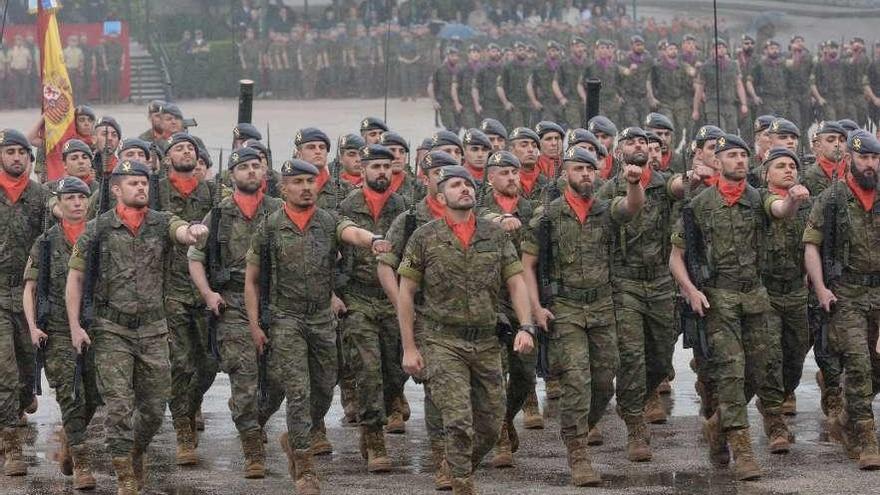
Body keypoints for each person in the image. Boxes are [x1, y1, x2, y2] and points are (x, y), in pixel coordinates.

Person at [243, 159, 391, 494]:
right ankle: (305, 469)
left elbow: (350, 232)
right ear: (283, 187)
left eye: (311, 181)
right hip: (285, 318)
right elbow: (251, 281)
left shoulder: (328, 221)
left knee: (324, 389)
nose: (306, 187)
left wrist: (373, 239)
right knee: (298, 391)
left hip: (321, 318)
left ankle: (295, 438)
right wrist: (255, 325)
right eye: (298, 182)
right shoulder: (269, 227)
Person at [66, 159, 209, 494]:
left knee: (155, 408)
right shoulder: (98, 229)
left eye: (144, 183)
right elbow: (75, 278)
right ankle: (125, 476)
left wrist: (193, 232)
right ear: (116, 189)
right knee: (118, 405)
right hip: (111, 329)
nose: (141, 188)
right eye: (133, 183)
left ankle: (135, 451)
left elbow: (181, 230)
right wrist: (74, 326)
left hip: (154, 329)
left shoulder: (160, 223)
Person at [397, 164, 536, 494]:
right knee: (458, 419)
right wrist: (409, 347)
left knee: (490, 424)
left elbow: (516, 283)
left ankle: (455, 464)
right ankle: (462, 483)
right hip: (442, 340)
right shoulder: (425, 237)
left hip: (486, 341)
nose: (465, 189)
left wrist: (526, 327)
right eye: (456, 185)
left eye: (470, 184)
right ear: (440, 195)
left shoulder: (494, 235)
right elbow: (406, 292)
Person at [669, 133, 797, 480]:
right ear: (718, 162)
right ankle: (742, 452)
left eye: (744, 155)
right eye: (732, 156)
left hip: (755, 296)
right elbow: (676, 256)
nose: (740, 160)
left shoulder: (758, 198)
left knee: (760, 370)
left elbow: (780, 209)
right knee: (730, 373)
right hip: (718, 299)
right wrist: (690, 290)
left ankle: (717, 425)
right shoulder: (699, 204)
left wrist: (794, 202)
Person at [522, 146, 645, 486]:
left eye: (591, 169)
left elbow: (633, 206)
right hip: (567, 308)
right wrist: (535, 308)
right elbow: (527, 265)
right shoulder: (547, 217)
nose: (586, 175)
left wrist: (634, 183)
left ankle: (581, 426)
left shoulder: (606, 210)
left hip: (603, 305)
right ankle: (578, 453)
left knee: (605, 380)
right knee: (577, 379)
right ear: (565, 175)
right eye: (578, 169)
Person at [188, 147, 283, 478]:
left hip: (275, 302)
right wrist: (208, 293)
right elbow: (195, 258)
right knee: (244, 376)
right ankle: (252, 450)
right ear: (231, 175)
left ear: (265, 174)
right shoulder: (218, 215)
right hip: (233, 305)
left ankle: (254, 420)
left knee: (279, 378)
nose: (252, 171)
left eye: (257, 166)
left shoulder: (279, 211)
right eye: (244, 167)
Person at [597, 127, 687, 461]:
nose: (638, 146)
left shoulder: (664, 184)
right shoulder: (608, 189)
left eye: (644, 143)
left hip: (661, 281)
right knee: (632, 355)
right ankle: (635, 425)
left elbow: (681, 187)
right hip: (625, 282)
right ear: (619, 152)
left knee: (662, 356)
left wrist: (693, 176)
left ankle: (643, 395)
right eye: (631, 142)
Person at [377, 150, 459, 491]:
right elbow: (385, 263)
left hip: (470, 318)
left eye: (449, 172)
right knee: (439, 391)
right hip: (428, 317)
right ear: (423, 178)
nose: (442, 177)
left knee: (479, 399)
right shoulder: (411, 221)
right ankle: (444, 460)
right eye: (436, 172)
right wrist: (402, 306)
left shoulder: (471, 216)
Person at [803, 130, 880, 470]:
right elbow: (811, 245)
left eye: (875, 159)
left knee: (877, 367)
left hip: (879, 291)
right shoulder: (832, 198)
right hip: (846, 292)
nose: (870, 165)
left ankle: (847, 416)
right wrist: (820, 288)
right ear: (850, 158)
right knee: (860, 365)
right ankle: (867, 439)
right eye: (864, 158)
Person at [23, 177, 98, 489]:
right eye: (70, 198)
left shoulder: (99, 236)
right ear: (59, 203)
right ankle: (82, 464)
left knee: (94, 394)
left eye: (82, 197)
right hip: (57, 331)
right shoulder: (45, 243)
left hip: (95, 328)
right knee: (69, 396)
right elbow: (29, 289)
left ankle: (72, 434)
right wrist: (32, 327)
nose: (77, 203)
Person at [337, 144, 408, 470]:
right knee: (367, 369)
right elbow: (327, 256)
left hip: (393, 298)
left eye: (387, 166)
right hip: (359, 297)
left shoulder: (404, 209)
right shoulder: (345, 209)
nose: (382, 172)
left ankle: (378, 417)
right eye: (375, 166)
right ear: (362, 170)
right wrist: (332, 294)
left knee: (394, 371)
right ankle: (374, 437)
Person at [155, 133, 217, 466]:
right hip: (170, 291)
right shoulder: (156, 191)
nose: (186, 151)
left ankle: (190, 407)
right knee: (180, 363)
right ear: (167, 159)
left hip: (204, 288)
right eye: (179, 148)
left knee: (209, 363)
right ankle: (182, 428)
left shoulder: (211, 192)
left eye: (191, 148)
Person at [475, 150, 540, 467]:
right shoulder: (476, 207)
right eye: (504, 173)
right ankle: (500, 432)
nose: (512, 177)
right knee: (495, 373)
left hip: (523, 298)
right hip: (490, 301)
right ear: (490, 178)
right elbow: (478, 219)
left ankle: (506, 416)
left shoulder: (531, 208)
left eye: (515, 172)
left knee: (526, 375)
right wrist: (500, 219)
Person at [754, 147, 812, 452]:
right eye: (780, 166)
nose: (788, 170)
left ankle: (776, 398)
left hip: (797, 291)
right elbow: (779, 208)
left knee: (796, 355)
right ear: (766, 173)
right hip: (766, 290)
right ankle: (775, 420)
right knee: (772, 356)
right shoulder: (759, 200)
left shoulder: (809, 204)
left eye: (792, 166)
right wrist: (791, 200)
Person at [0, 129, 48, 477]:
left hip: (29, 295)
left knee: (27, 370)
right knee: (4, 372)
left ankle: (24, 398)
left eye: (22, 152)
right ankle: (11, 446)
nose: (16, 157)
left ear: (30, 160)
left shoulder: (41, 197)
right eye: (9, 151)